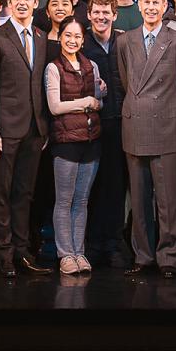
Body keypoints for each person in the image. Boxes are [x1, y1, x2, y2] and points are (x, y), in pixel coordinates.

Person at [114, 0, 176, 278]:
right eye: (146, 2)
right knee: (138, 199)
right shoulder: (125, 41)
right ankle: (144, 255)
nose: (151, 7)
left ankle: (169, 257)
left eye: (156, 3)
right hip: (135, 124)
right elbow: (127, 82)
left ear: (165, 6)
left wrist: (167, 109)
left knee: (168, 200)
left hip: (166, 125)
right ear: (139, 6)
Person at [0, 0, 53, 277]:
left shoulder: (41, 37)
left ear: (36, 3)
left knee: (25, 194)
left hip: (35, 130)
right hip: (4, 131)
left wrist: (43, 127)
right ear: (9, 3)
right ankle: (4, 255)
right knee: (1, 193)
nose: (22, 2)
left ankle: (23, 252)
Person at [45, 16, 107, 275]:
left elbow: (100, 103)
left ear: (83, 39)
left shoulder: (92, 65)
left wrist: (96, 100)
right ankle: (65, 255)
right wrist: (88, 101)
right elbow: (55, 106)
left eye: (77, 36)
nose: (72, 40)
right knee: (64, 200)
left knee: (82, 201)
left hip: (91, 140)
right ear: (60, 37)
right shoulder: (53, 67)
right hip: (66, 142)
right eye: (68, 35)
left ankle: (79, 252)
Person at [81, 0, 130, 266]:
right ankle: (91, 243)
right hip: (90, 124)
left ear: (115, 15)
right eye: (96, 12)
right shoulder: (81, 44)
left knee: (116, 186)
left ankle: (112, 244)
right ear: (89, 15)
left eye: (106, 12)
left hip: (121, 124)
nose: (101, 17)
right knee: (91, 186)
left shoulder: (124, 41)